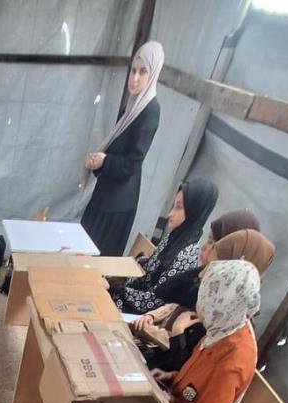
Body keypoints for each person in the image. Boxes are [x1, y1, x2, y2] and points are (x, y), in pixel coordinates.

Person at [134, 259, 261, 403]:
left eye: (208, 299)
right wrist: (171, 377)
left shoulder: (232, 362)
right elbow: (198, 379)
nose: (201, 306)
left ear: (222, 303)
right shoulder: (223, 325)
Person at [133, 229, 275, 372]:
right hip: (158, 361)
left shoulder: (222, 319)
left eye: (212, 267)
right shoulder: (211, 297)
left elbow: (186, 366)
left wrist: (177, 332)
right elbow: (167, 294)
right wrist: (153, 317)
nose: (202, 275)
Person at [81, 41, 164, 257]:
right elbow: (116, 148)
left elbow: (131, 165)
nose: (135, 78)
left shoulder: (150, 110)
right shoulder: (133, 106)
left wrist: (104, 161)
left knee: (94, 261)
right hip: (106, 195)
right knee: (81, 252)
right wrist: (99, 163)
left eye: (143, 72)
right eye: (133, 71)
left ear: (153, 73)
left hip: (116, 206)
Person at [113, 178, 219, 314]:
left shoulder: (186, 254)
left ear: (195, 211)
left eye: (178, 207)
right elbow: (148, 272)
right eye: (173, 205)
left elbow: (156, 300)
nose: (170, 214)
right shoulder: (174, 237)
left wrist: (121, 289)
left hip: (142, 313)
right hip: (132, 297)